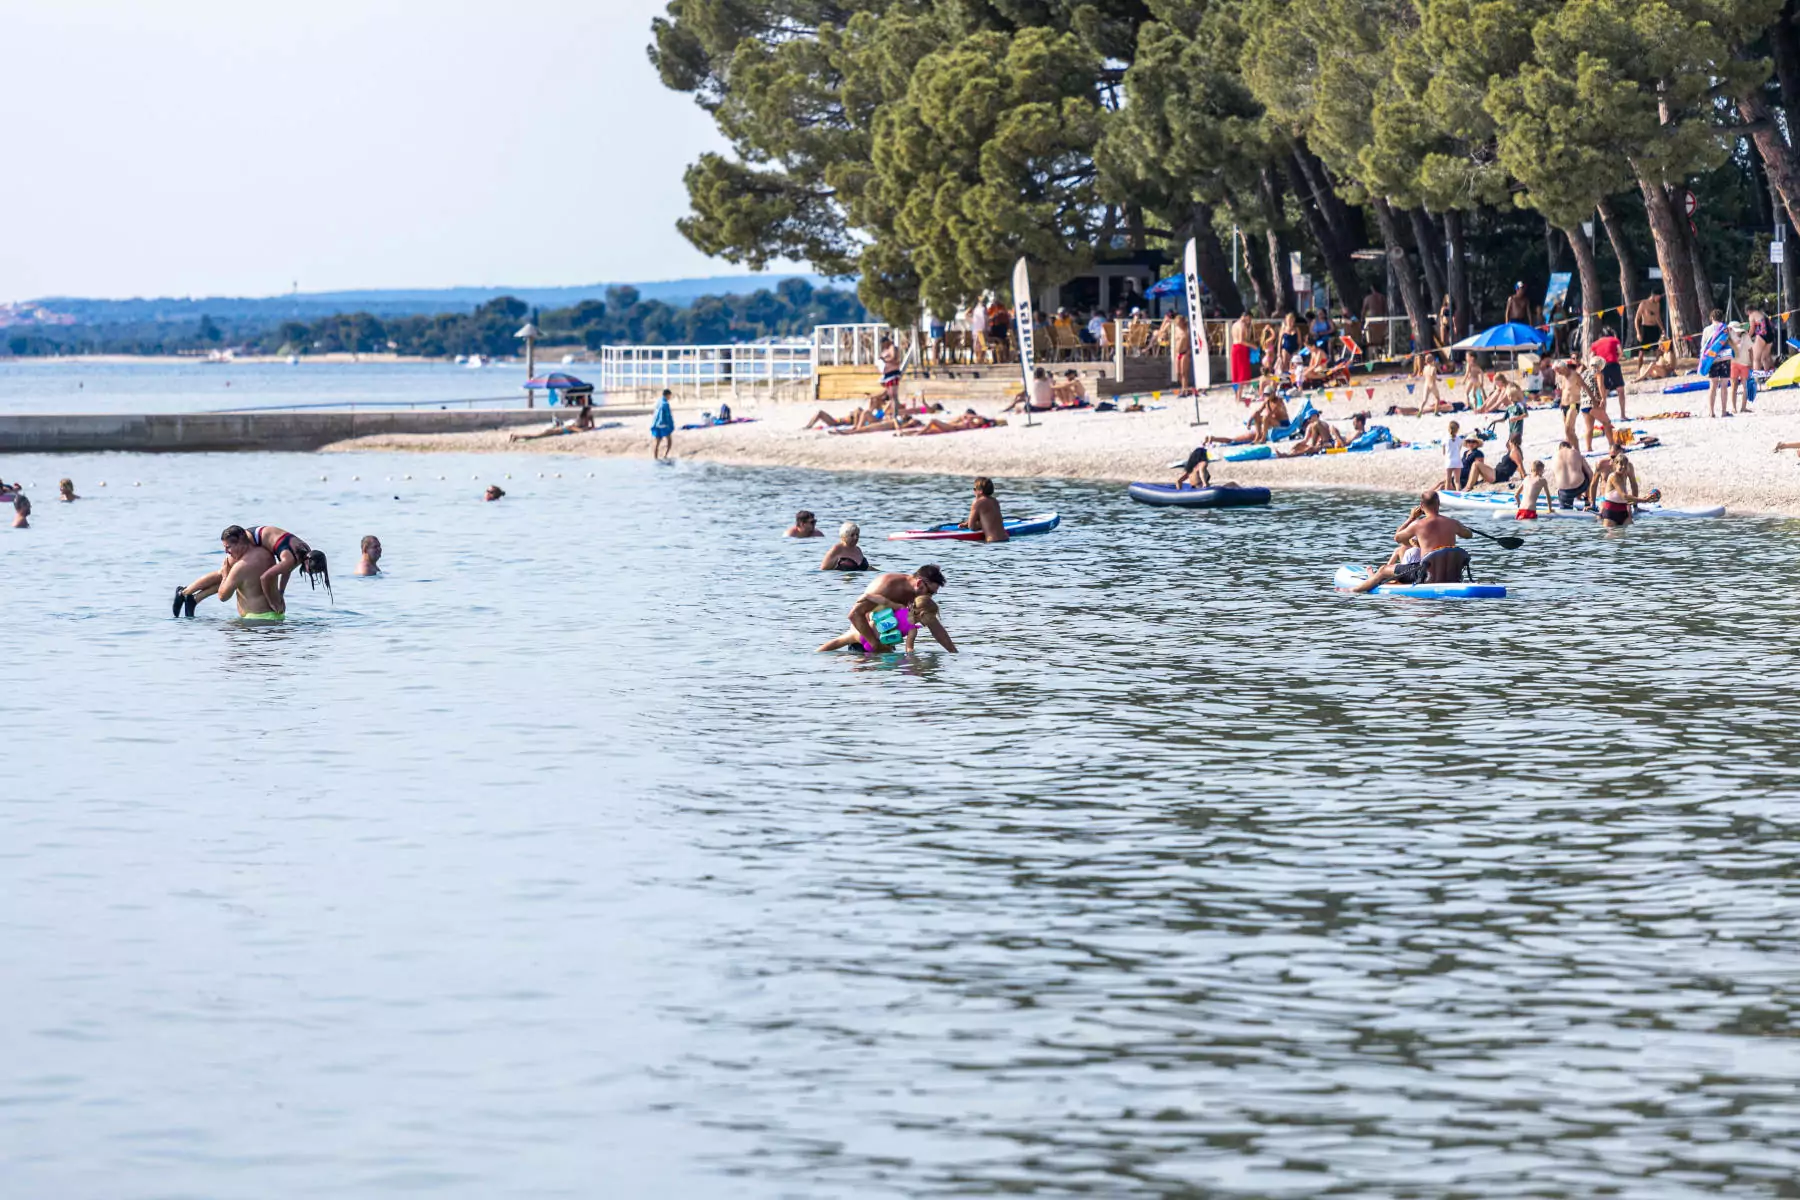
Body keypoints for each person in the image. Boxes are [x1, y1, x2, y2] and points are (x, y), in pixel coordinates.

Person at [1350, 491, 1477, 592]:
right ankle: (1374, 578)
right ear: (1438, 504)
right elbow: (1469, 535)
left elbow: (1397, 538)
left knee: (1384, 569)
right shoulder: (1453, 523)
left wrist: (1411, 518)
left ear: (1422, 506)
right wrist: (1459, 527)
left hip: (1425, 575)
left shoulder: (1417, 524)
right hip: (1451, 574)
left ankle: (1354, 590)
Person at [823, 564, 953, 654]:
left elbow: (935, 627)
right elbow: (854, 615)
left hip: (886, 641)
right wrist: (875, 644)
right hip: (865, 640)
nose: (930, 597)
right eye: (930, 592)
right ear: (919, 584)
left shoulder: (918, 599)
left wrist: (954, 654)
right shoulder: (887, 586)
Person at [818, 590, 954, 654]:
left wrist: (865, 596)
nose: (930, 622)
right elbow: (909, 649)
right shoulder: (913, 629)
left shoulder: (900, 608)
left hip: (867, 633)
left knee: (837, 642)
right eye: (931, 618)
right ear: (923, 614)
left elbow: (883, 601)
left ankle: (816, 654)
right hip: (878, 646)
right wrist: (915, 662)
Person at [1590, 326, 1627, 419]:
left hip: (1601, 367)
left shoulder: (1595, 343)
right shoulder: (1614, 340)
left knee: (1603, 393)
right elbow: (1620, 352)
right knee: (1620, 390)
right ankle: (1622, 415)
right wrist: (1616, 358)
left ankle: (1604, 415)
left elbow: (1592, 357)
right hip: (1613, 365)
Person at [961, 477, 1008, 542]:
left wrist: (971, 524)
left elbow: (972, 527)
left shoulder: (977, 503)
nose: (974, 491)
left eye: (974, 489)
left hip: (993, 542)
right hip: (1005, 538)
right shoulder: (995, 501)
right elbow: (991, 520)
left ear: (980, 491)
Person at [1550, 441, 1592, 509]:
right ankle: (1586, 500)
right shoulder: (1575, 452)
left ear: (1559, 448)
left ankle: (1567, 507)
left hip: (1565, 492)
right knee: (1585, 473)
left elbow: (1555, 475)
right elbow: (1590, 473)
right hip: (1580, 487)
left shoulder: (1554, 456)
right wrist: (1588, 489)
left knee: (1565, 511)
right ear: (1570, 447)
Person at [650, 388, 675, 459]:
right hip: (664, 425)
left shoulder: (658, 401)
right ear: (668, 395)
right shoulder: (665, 404)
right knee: (669, 441)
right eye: (670, 396)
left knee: (657, 443)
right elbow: (667, 416)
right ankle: (665, 456)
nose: (670, 397)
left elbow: (656, 414)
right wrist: (670, 424)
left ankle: (655, 458)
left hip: (656, 424)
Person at [1441, 420, 1464, 491]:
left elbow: (1444, 452)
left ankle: (1447, 494)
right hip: (1457, 461)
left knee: (1448, 481)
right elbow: (1459, 449)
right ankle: (1459, 494)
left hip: (1449, 461)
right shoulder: (1459, 439)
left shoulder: (1445, 439)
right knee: (1457, 481)